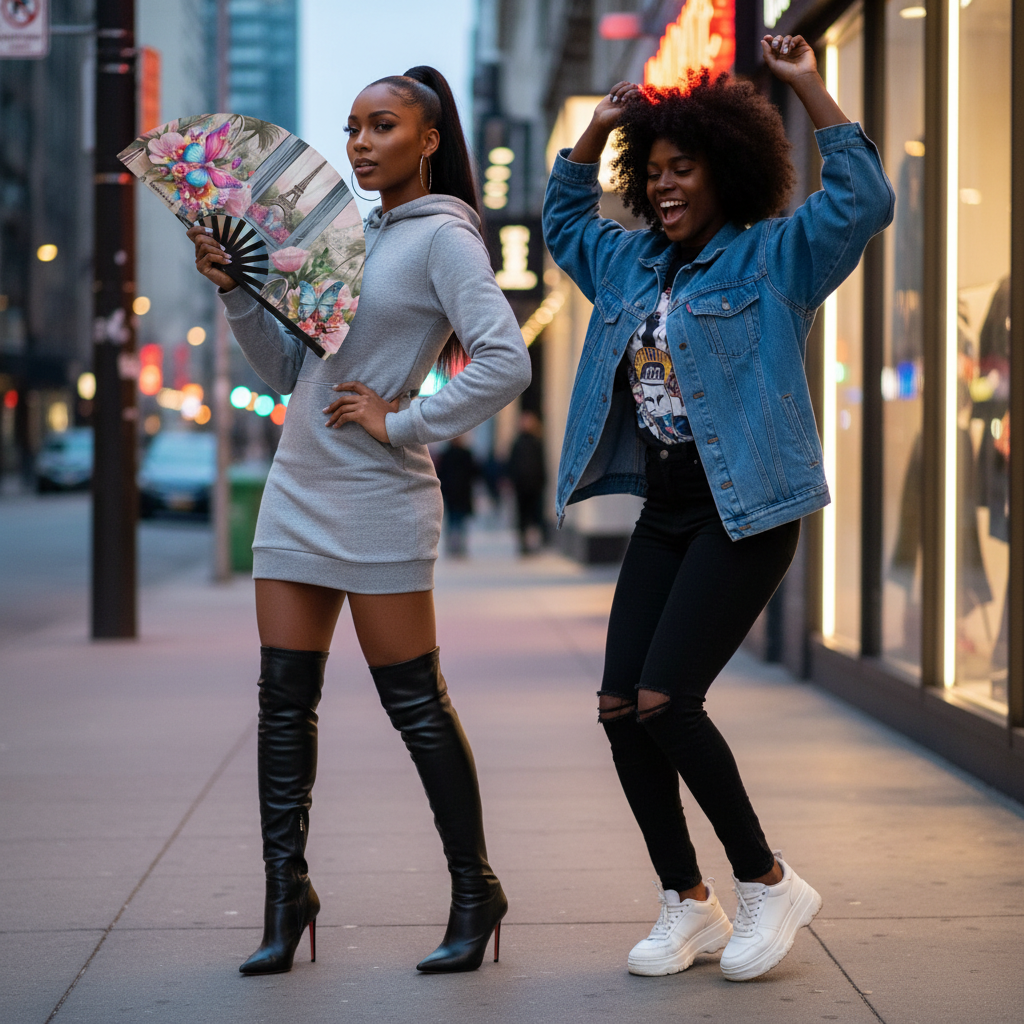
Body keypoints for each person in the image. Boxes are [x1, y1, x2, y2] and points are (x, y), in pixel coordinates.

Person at [542, 36, 893, 982]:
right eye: (651, 171)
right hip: (665, 510)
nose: (662, 186)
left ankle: (769, 881)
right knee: (621, 707)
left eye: (681, 168)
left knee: (668, 701)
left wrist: (811, 88)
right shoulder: (626, 265)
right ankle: (686, 901)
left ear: (725, 168)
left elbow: (865, 202)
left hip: (749, 511)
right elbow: (563, 220)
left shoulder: (776, 257)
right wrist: (596, 129)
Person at [188, 65, 531, 976]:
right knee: (282, 708)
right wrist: (234, 289)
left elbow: (505, 362)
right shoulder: (344, 238)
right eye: (351, 128)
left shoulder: (443, 240)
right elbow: (285, 371)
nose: (361, 143)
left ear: (427, 140)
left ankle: (474, 889)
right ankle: (284, 897)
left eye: (383, 126)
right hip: (299, 487)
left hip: (380, 497)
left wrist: (403, 418)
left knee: (414, 706)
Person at [507, 410, 547, 554]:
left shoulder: (537, 442)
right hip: (521, 486)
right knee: (522, 516)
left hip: (534, 486)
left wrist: (542, 481)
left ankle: (533, 543)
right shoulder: (517, 443)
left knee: (534, 516)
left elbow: (541, 464)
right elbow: (512, 464)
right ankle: (523, 544)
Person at [436, 434, 478, 557]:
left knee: (452, 520)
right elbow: (474, 472)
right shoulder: (466, 453)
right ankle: (460, 547)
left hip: (452, 493)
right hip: (463, 493)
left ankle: (451, 546)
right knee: (460, 521)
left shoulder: (446, 454)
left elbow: (440, 474)